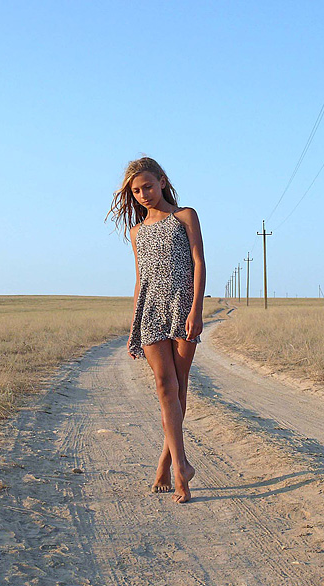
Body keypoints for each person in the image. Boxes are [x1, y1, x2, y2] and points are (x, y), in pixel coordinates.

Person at [106, 157, 206, 503]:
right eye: (136, 191)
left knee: (179, 388)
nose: (143, 194)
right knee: (165, 387)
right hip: (149, 312)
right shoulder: (137, 232)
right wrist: (133, 325)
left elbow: (198, 262)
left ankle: (168, 463)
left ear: (162, 181)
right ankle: (181, 466)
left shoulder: (185, 216)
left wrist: (197, 309)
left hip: (182, 307)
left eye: (147, 186)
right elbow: (140, 279)